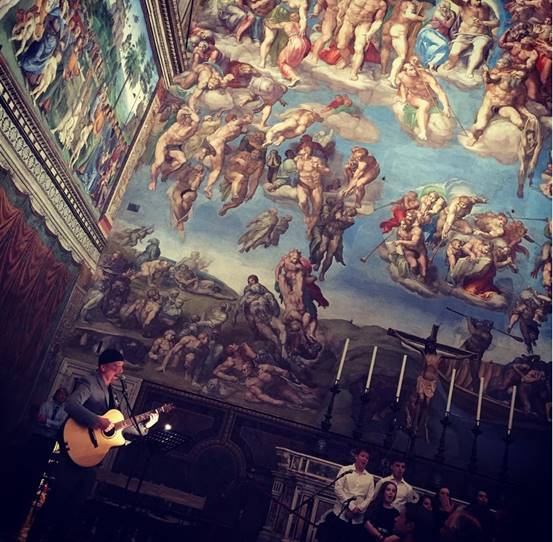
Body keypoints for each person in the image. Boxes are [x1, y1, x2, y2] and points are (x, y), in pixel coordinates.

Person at [27, 349, 159, 542]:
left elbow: (118, 425)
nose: (120, 371)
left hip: (92, 457)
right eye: (116, 366)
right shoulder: (90, 382)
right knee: (57, 500)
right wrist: (96, 420)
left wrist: (146, 426)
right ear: (103, 367)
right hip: (75, 450)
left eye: (121, 367)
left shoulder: (113, 395)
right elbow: (71, 404)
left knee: (75, 506)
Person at [332, 447, 375, 539]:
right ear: (356, 456)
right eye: (362, 456)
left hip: (357, 520)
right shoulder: (345, 470)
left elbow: (370, 497)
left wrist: (358, 509)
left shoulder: (370, 477)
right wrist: (351, 507)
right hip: (340, 514)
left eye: (367, 458)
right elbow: (338, 488)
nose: (364, 459)